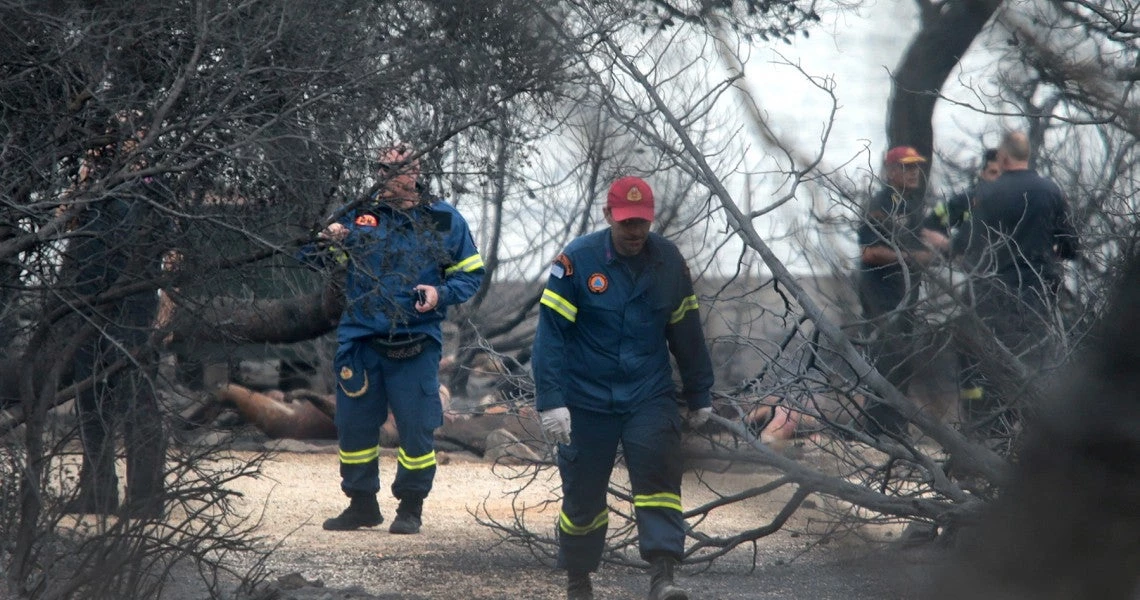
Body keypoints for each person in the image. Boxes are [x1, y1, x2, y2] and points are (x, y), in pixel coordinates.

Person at [531, 176, 715, 600]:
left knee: (659, 480)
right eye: (626, 222)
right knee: (582, 496)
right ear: (608, 216)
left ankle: (663, 578)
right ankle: (579, 579)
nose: (635, 231)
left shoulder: (669, 261)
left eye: (641, 222)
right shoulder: (577, 261)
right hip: (586, 398)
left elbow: (686, 331)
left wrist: (699, 393)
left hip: (647, 393)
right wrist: (551, 400)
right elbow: (551, 335)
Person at [300, 145, 485, 534]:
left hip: (415, 341)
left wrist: (440, 294)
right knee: (354, 426)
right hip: (361, 339)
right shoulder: (358, 214)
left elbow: (471, 273)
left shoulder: (442, 218)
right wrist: (326, 241)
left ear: (414, 173)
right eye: (379, 168)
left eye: (392, 169)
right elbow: (308, 259)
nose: (382, 176)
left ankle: (411, 507)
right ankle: (362, 504)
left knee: (416, 427)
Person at [62, 128, 172, 518]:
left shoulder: (156, 187)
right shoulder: (95, 188)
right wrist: (83, 180)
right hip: (88, 304)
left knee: (137, 401)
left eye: (127, 132)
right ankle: (97, 492)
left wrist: (168, 302)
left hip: (134, 306)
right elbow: (62, 222)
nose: (114, 142)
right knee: (91, 401)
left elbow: (175, 249)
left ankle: (145, 497)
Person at [951, 131, 1079, 438]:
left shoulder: (988, 194)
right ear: (1027, 155)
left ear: (1004, 157)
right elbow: (1071, 246)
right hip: (1037, 299)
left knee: (990, 370)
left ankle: (992, 438)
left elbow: (965, 244)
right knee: (1037, 369)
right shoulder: (1050, 191)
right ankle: (1039, 441)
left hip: (992, 298)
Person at [855, 146, 945, 437]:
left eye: (916, 167)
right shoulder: (880, 204)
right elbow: (869, 252)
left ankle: (896, 428)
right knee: (884, 361)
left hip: (905, 298)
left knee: (902, 362)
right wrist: (910, 257)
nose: (913, 172)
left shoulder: (911, 205)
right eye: (906, 167)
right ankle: (878, 430)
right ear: (891, 171)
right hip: (880, 298)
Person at [922, 149, 1002, 428]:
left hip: (1013, 294)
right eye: (993, 173)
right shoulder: (969, 201)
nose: (997, 180)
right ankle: (976, 425)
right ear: (983, 173)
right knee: (970, 356)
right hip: (976, 291)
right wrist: (949, 249)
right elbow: (929, 226)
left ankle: (1003, 426)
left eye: (1003, 174)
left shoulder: (1022, 201)